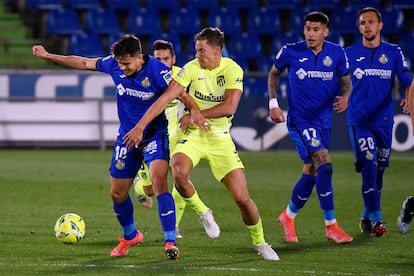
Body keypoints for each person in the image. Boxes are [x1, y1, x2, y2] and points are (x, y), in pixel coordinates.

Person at [123, 27, 280, 261]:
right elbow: (167, 97)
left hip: (220, 139)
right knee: (178, 173)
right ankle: (204, 212)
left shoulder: (232, 69)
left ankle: (260, 242)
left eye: (202, 51)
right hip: (193, 135)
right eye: (196, 50)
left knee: (242, 199)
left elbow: (230, 107)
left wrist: (197, 113)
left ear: (217, 50)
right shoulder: (191, 69)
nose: (197, 55)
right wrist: (142, 125)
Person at [32, 34, 180, 260]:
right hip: (127, 139)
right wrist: (48, 55)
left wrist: (194, 111)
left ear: (139, 58)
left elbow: (177, 92)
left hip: (153, 136)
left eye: (127, 63)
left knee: (159, 181)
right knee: (117, 193)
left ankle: (170, 240)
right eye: (119, 63)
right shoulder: (115, 64)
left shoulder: (158, 71)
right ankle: (130, 235)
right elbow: (83, 62)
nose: (122, 68)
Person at [267, 11, 353, 244]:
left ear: (326, 31)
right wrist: (274, 104)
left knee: (312, 171)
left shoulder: (337, 53)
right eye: (307, 29)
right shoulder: (290, 51)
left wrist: (345, 97)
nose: (311, 34)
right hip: (300, 121)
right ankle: (331, 226)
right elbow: (273, 75)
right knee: (324, 165)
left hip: (323, 120)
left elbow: (346, 82)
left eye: (316, 30)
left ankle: (288, 216)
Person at [133, 39, 220, 239]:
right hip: (152, 136)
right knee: (150, 189)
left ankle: (180, 224)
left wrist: (193, 114)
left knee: (180, 178)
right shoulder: (143, 76)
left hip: (178, 134)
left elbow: (195, 100)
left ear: (173, 59)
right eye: (158, 59)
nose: (162, 63)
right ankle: (139, 187)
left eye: (166, 58)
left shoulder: (183, 76)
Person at [345, 7, 412, 237]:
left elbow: (407, 81)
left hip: (384, 122)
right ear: (358, 27)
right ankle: (377, 219)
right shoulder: (349, 54)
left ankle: (366, 213)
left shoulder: (393, 52)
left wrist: (408, 97)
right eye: (362, 22)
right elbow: (337, 81)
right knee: (370, 168)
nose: (367, 26)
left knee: (379, 172)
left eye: (371, 22)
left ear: (380, 25)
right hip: (360, 121)